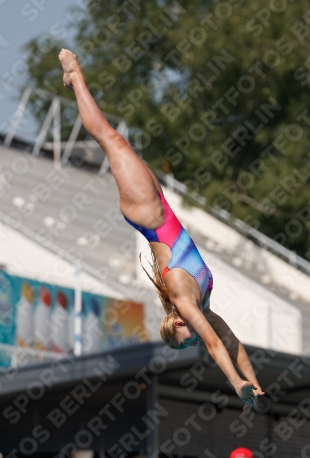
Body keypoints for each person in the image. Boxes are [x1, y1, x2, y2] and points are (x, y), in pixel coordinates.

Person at [58, 49, 264, 409]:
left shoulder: (184, 298)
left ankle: (75, 76)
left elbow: (215, 346)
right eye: (192, 342)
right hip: (158, 207)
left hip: (148, 214)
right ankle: (75, 78)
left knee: (110, 139)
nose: (195, 338)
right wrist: (255, 386)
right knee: (115, 142)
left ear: (175, 323)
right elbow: (232, 343)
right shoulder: (205, 307)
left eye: (186, 339)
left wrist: (234, 383)